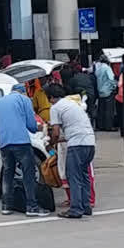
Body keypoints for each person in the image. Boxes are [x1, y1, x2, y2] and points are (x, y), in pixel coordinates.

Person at [0, 84, 49, 217]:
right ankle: (32, 206)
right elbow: (31, 125)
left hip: (4, 142)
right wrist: (40, 127)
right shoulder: (24, 100)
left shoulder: (0, 101)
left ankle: (6, 205)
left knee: (8, 173)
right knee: (28, 172)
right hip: (20, 141)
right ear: (24, 92)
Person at [46, 83, 96, 219]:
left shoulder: (55, 108)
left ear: (51, 97)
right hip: (90, 142)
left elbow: (55, 132)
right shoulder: (72, 104)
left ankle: (76, 209)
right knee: (84, 175)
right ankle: (86, 206)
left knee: (73, 176)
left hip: (77, 144)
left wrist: (51, 144)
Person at [94, 55, 117, 131]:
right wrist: (114, 86)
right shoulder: (107, 68)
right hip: (108, 91)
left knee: (101, 110)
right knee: (109, 110)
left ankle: (101, 125)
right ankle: (109, 126)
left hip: (100, 91)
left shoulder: (98, 69)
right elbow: (111, 79)